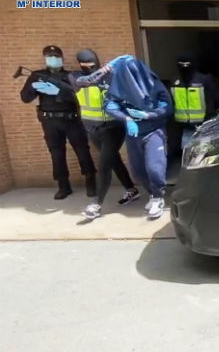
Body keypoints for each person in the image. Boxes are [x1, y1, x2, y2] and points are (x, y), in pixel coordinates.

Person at [69, 49, 139, 219]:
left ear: (97, 62)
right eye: (84, 66)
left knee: (104, 164)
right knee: (113, 160)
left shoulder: (113, 76)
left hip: (113, 127)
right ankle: (131, 190)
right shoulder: (75, 76)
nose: (88, 69)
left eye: (92, 66)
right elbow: (87, 80)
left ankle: (95, 204)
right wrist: (105, 70)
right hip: (92, 129)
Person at [20, 45, 96, 200]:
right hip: (49, 121)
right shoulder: (37, 75)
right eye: (49, 56)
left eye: (55, 56)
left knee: (82, 150)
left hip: (71, 119)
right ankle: (63, 186)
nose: (52, 59)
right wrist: (34, 87)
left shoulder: (71, 76)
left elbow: (78, 97)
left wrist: (59, 91)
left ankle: (91, 182)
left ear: (61, 58)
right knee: (56, 154)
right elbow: (25, 98)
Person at [103, 55, 173, 220]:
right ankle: (151, 194)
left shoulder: (154, 84)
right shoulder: (119, 87)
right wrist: (126, 118)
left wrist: (148, 115)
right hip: (134, 133)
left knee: (154, 168)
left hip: (154, 131)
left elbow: (167, 107)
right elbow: (109, 105)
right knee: (138, 171)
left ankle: (158, 197)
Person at [171, 54, 216, 149]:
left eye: (187, 64)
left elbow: (210, 100)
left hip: (203, 125)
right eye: (181, 64)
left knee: (203, 152)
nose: (184, 67)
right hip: (184, 126)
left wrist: (208, 119)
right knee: (187, 153)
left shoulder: (203, 80)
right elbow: (172, 102)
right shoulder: (175, 81)